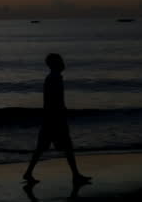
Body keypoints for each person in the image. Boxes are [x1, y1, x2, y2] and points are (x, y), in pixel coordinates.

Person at [23, 53, 91, 191]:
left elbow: (53, 100)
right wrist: (59, 114)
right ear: (55, 64)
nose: (63, 63)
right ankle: (75, 175)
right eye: (60, 61)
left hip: (52, 117)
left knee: (47, 147)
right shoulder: (53, 79)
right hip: (54, 118)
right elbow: (52, 100)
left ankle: (29, 173)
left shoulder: (55, 78)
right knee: (63, 146)